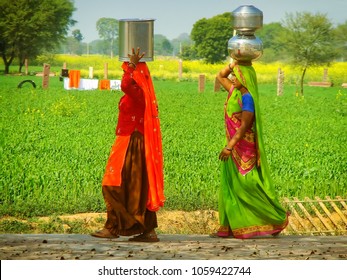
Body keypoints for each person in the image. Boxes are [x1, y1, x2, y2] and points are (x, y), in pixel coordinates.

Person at [91, 47, 165, 242]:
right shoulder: (141, 92)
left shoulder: (138, 91)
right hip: (130, 139)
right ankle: (147, 230)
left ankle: (113, 228)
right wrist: (132, 67)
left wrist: (132, 65)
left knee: (114, 184)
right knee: (136, 186)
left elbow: (125, 85)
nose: (125, 72)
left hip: (131, 141)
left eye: (127, 70)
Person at [212, 60, 289, 239]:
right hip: (232, 148)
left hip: (243, 150)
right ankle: (231, 226)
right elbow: (220, 75)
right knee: (231, 187)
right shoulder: (233, 91)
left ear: (244, 78)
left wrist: (229, 146)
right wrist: (233, 63)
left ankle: (276, 219)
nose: (232, 77)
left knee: (248, 187)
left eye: (236, 74)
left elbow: (245, 125)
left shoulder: (247, 98)